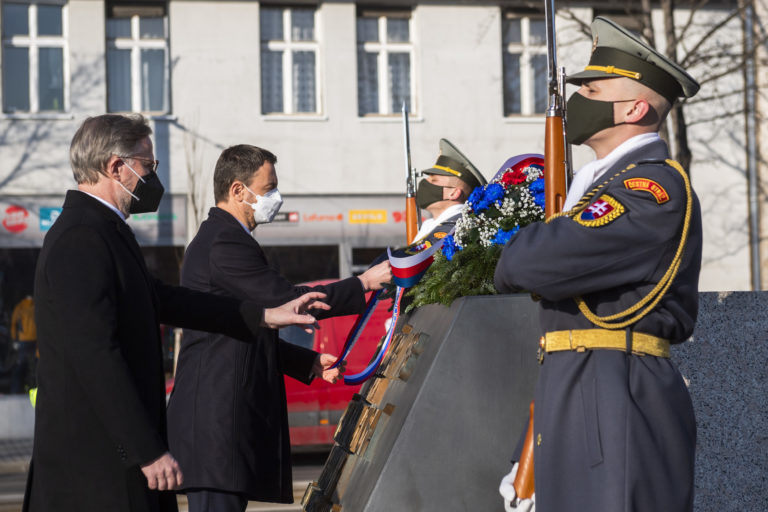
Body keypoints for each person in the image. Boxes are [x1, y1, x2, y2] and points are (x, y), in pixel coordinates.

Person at [24, 114, 327, 512]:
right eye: (148, 165)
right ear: (116, 167)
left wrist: (264, 316)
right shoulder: (81, 237)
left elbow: (169, 300)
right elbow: (94, 355)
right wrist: (146, 450)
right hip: (94, 470)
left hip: (113, 464)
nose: (153, 177)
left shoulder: (106, 231)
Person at [494, 17, 701, 512]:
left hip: (615, 394)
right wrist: (529, 451)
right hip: (578, 386)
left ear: (634, 108)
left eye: (591, 89)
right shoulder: (599, 184)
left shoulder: (651, 187)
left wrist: (524, 244)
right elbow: (563, 329)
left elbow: (529, 264)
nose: (577, 99)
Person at [166, 144, 392, 511]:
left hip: (219, 426)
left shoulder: (225, 238)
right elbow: (288, 303)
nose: (276, 197)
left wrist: (307, 362)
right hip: (216, 426)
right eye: (268, 188)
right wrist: (362, 283)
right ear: (238, 190)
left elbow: (242, 329)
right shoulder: (224, 242)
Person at [413, 138, 486, 241]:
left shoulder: (455, 226)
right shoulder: (430, 224)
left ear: (454, 193)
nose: (425, 182)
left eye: (434, 180)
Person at [10, 295, 36, 394]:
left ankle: (16, 391)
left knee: (21, 366)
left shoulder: (20, 307)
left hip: (24, 341)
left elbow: (13, 324)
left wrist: (14, 340)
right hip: (34, 341)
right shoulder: (35, 306)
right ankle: (32, 390)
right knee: (33, 367)